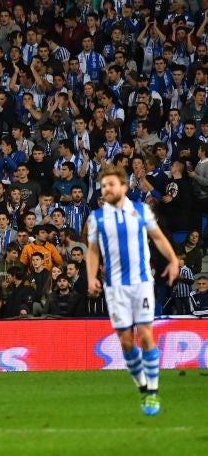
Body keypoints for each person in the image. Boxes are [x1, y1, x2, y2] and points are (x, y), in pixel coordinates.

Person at [86, 166, 179, 416]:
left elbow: (158, 237)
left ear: (124, 187)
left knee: (146, 336)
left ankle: (153, 392)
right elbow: (93, 251)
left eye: (111, 185)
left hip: (141, 283)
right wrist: (91, 277)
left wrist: (173, 260)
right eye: (103, 186)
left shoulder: (140, 211)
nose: (107, 189)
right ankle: (143, 387)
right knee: (127, 343)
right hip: (115, 287)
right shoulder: (96, 218)